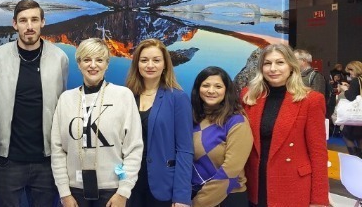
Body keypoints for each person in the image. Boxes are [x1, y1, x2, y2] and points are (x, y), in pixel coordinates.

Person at [0, 0, 69, 207]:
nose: (29, 26)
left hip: (46, 161)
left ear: (43, 22)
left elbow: (62, 102)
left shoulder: (59, 58)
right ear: (15, 24)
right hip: (8, 161)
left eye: (34, 19)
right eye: (23, 20)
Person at [51, 38, 143, 207]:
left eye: (99, 60)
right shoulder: (66, 99)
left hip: (112, 191)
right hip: (74, 192)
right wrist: (64, 193)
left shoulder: (123, 96)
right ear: (79, 64)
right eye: (87, 60)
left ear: (107, 64)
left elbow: (134, 148)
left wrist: (123, 192)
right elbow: (58, 150)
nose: (93, 65)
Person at [241, 43, 329, 207]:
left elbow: (318, 153)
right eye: (267, 63)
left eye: (280, 62)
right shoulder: (249, 96)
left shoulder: (311, 100)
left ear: (291, 66)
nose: (273, 68)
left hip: (292, 185)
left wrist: (319, 199)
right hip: (254, 184)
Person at [125, 38, 193, 207]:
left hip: (162, 185)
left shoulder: (178, 98)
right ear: (137, 65)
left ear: (165, 65)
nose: (150, 65)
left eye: (156, 60)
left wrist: (182, 196)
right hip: (128, 183)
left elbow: (184, 150)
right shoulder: (126, 96)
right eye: (144, 60)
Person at [190, 67, 252, 207]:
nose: (211, 91)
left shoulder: (237, 122)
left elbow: (231, 170)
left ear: (226, 90)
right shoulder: (193, 119)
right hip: (193, 195)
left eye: (218, 86)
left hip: (227, 198)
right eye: (206, 85)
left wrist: (198, 202)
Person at [338, 60, 362, 157]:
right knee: (360, 137)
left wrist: (345, 89)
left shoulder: (356, 81)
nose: (350, 73)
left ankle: (355, 156)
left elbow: (351, 97)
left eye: (351, 70)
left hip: (355, 114)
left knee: (346, 136)